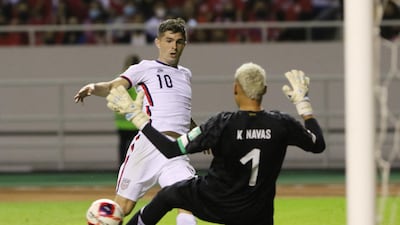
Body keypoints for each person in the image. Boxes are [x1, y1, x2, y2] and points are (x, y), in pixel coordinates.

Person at [105, 64, 326, 225]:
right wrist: (303, 104)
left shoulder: (222, 123)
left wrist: (138, 118)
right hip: (258, 211)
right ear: (265, 90)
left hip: (215, 202)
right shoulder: (282, 123)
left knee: (168, 195)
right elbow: (318, 144)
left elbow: (171, 149)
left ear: (235, 89)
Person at [74, 18, 198, 225]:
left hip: (176, 151)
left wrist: (196, 131)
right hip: (148, 146)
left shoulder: (185, 75)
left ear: (184, 44)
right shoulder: (144, 68)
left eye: (178, 41)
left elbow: (180, 110)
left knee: (186, 203)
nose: (173, 46)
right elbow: (115, 86)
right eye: (168, 40)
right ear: (158, 42)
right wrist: (95, 88)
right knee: (122, 209)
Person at [114, 54, 140, 166]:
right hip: (131, 120)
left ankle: (123, 170)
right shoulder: (134, 80)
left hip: (128, 120)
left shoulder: (120, 79)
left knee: (126, 149)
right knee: (132, 149)